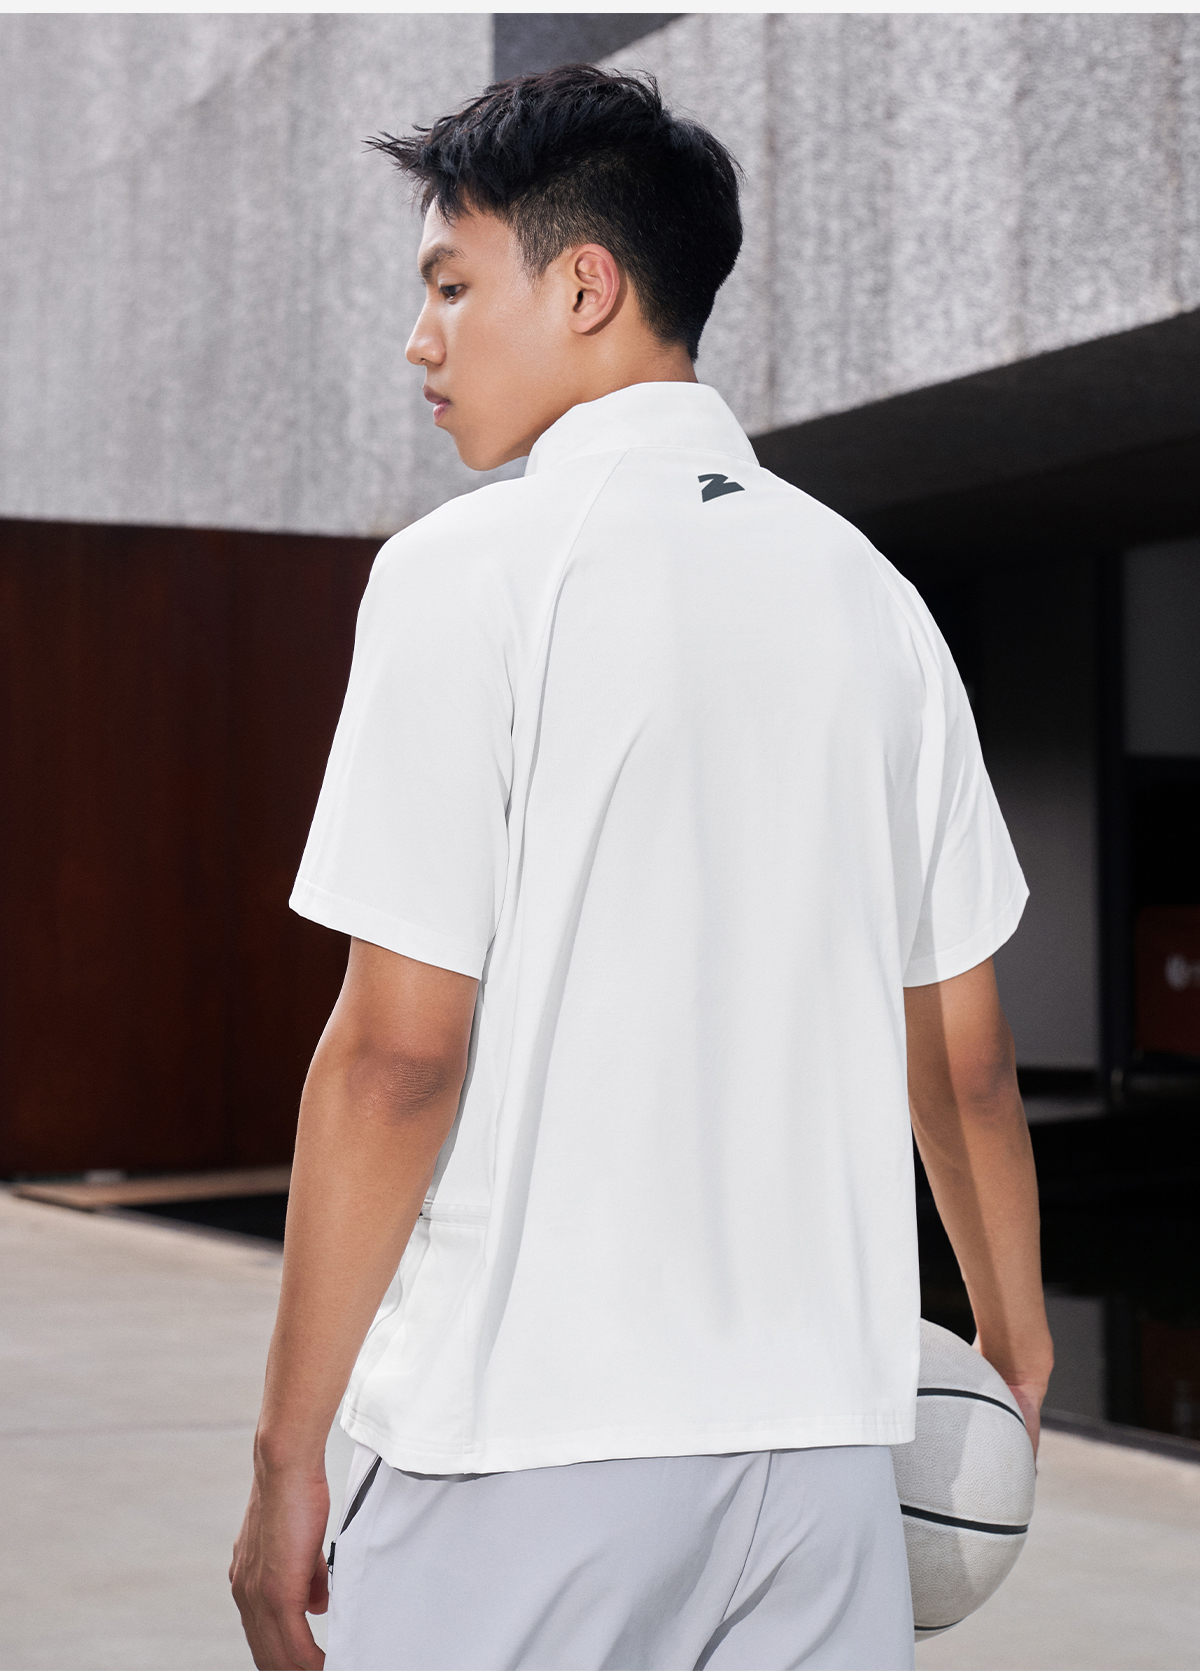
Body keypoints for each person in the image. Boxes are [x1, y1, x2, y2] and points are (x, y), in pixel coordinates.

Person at [230, 64, 1053, 1671]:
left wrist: (284, 1458)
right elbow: (964, 1060)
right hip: (824, 1463)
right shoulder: (875, 599)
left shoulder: (465, 575)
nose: (421, 341)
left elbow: (397, 1058)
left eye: (451, 286)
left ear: (587, 286)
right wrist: (1009, 1345)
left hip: (517, 1455)